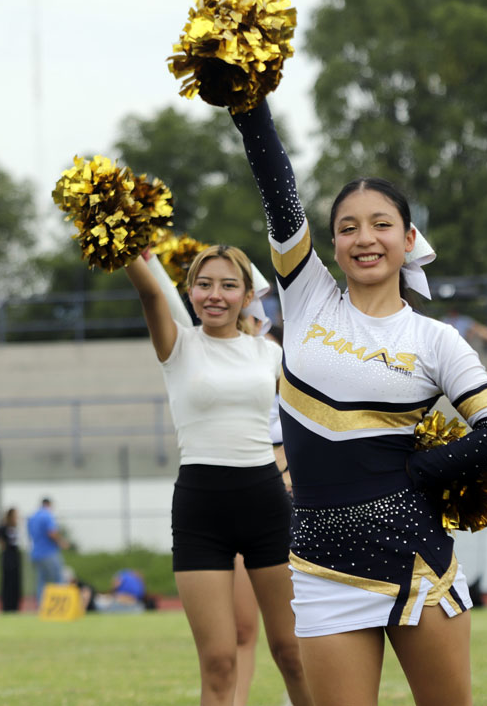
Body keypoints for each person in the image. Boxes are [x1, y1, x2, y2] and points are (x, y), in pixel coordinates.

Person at [231, 99, 487, 706]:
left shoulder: (435, 339)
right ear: (330, 243)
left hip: (417, 556)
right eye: (348, 227)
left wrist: (418, 473)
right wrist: (249, 107)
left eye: (381, 223)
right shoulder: (308, 298)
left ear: (408, 238)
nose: (365, 238)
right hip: (320, 561)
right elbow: (277, 189)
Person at [124, 245, 311, 706]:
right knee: (219, 662)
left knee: (291, 651)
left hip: (266, 503)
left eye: (229, 285)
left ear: (247, 294)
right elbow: (150, 296)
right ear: (188, 291)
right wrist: (123, 241)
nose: (215, 295)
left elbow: (302, 424)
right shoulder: (177, 343)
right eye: (204, 284)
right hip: (199, 510)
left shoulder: (268, 354)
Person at [27, 497, 69, 609]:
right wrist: (62, 542)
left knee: (42, 581)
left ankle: (42, 607)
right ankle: (60, 607)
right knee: (58, 579)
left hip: (36, 553)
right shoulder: (47, 515)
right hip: (48, 552)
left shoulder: (32, 517)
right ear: (49, 505)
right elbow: (52, 532)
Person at [0, 507, 21, 612]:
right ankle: (6, 606)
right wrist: (1, 543)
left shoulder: (15, 527)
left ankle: (15, 606)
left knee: (15, 581)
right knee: (7, 581)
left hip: (15, 555)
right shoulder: (4, 526)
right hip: (7, 556)